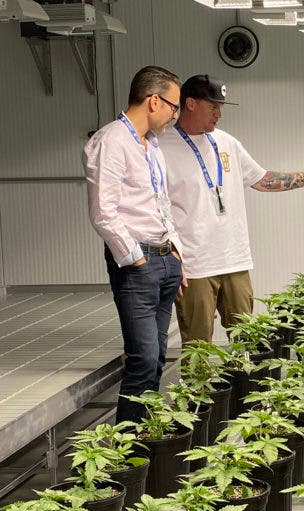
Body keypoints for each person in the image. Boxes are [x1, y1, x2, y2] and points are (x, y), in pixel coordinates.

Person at [158, 74, 304, 345]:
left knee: (249, 339)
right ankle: (196, 389)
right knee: (198, 345)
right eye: (213, 106)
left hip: (234, 259)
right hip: (195, 265)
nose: (219, 113)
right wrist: (171, 260)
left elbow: (261, 180)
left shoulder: (226, 142)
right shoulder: (161, 148)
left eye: (221, 107)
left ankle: (244, 388)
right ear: (190, 103)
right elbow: (156, 209)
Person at [83, 65, 185, 424]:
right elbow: (102, 212)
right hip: (137, 264)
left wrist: (174, 253)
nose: (175, 115)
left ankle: (147, 435)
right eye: (174, 107)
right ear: (153, 101)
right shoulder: (110, 141)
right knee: (142, 358)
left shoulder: (151, 144)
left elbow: (161, 201)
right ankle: (124, 451)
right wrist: (135, 259)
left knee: (157, 356)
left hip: (163, 259)